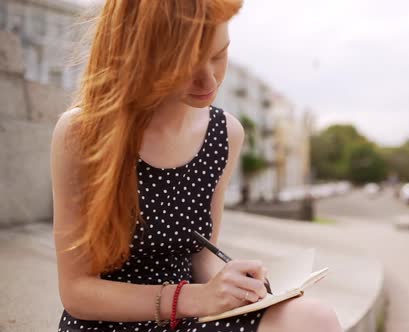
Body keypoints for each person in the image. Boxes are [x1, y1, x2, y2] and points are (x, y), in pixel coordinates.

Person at [50, 1, 342, 331]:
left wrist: (238, 288)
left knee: (315, 319)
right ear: (138, 54)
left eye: (219, 54)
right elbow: (76, 292)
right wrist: (195, 298)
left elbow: (201, 255)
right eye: (183, 66)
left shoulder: (225, 133)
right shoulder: (82, 132)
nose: (208, 81)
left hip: (189, 317)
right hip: (109, 321)